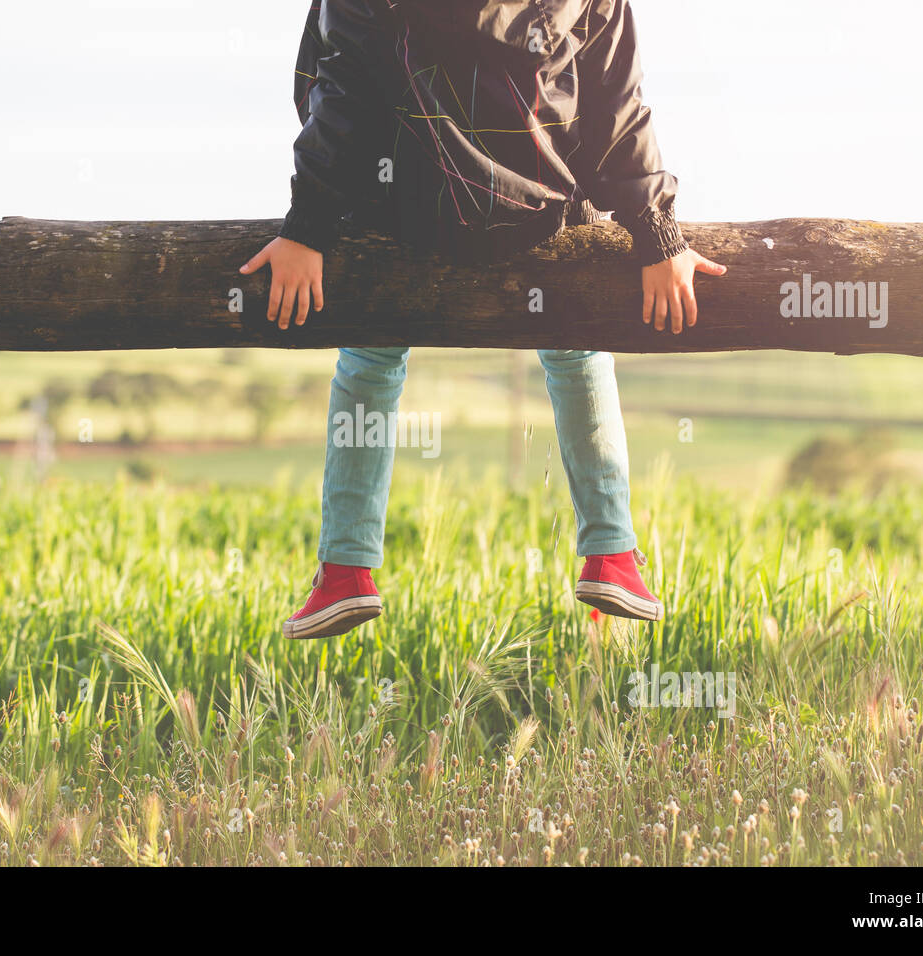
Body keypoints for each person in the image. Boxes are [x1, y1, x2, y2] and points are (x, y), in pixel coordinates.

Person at [239, 0, 726, 639]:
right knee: (577, 351)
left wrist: (308, 228)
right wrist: (657, 231)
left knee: (370, 359)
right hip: (541, 214)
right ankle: (610, 553)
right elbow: (616, 101)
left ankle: (345, 570)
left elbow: (345, 90)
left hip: (402, 210)